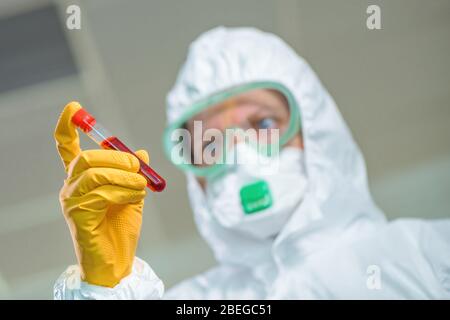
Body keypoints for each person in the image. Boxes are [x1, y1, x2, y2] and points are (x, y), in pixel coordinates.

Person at [53, 27, 450, 299]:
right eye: (209, 143)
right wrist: (105, 287)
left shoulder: (429, 256)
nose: (240, 154)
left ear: (316, 128)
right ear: (196, 178)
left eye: (262, 123)